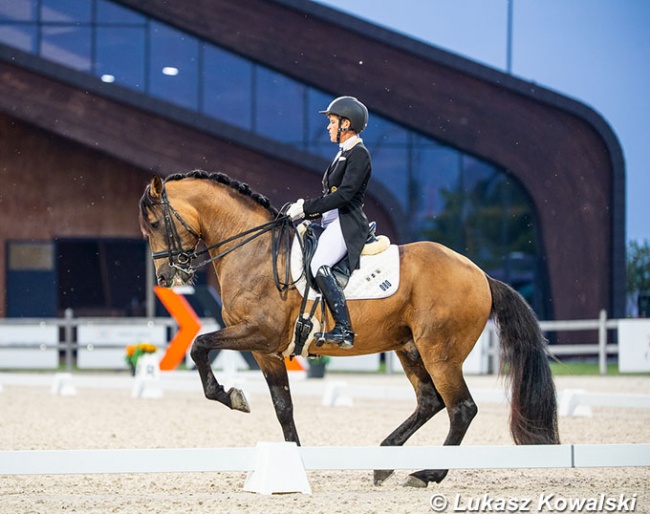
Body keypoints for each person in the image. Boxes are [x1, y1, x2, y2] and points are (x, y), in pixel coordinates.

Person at [286, 96, 372, 350]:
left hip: (348, 224)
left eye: (332, 122)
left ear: (346, 124)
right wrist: (306, 213)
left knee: (318, 263)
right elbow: (329, 197)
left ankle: (344, 329)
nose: (328, 127)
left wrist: (306, 207)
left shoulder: (359, 154)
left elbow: (344, 195)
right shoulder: (343, 154)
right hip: (332, 222)